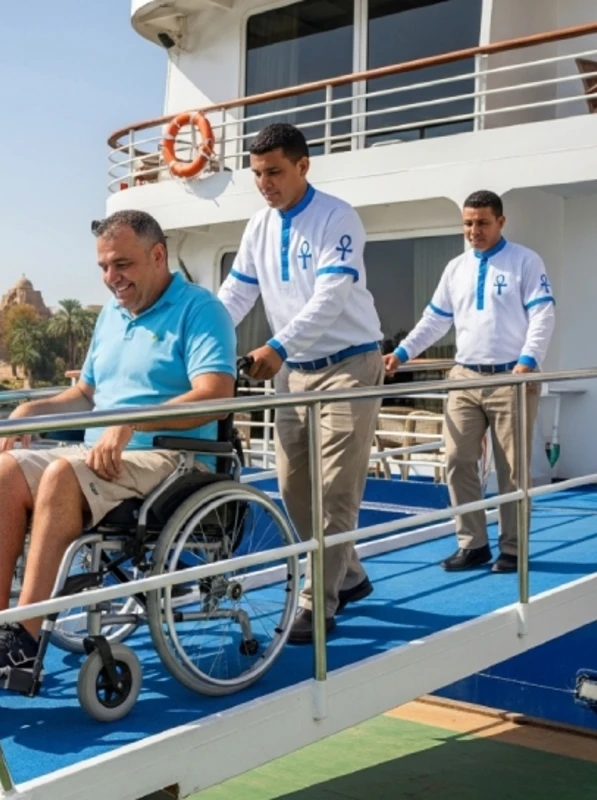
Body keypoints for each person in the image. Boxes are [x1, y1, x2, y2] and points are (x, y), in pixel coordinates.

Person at [0, 209, 238, 677]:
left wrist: (132, 424)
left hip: (169, 455)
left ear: (158, 256)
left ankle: (23, 640)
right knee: (6, 468)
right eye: (103, 267)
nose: (110, 278)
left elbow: (217, 396)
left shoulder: (200, 310)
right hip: (105, 454)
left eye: (122, 264)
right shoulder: (114, 317)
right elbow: (86, 393)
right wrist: (26, 412)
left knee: (61, 473)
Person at [217, 122, 384, 642]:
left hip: (348, 366)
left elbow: (330, 296)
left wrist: (276, 347)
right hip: (293, 373)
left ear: (302, 166)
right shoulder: (258, 227)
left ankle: (319, 603)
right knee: (293, 488)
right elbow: (237, 295)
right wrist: (200, 344)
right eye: (257, 174)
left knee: (336, 492)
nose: (264, 183)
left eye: (274, 172)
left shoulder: (338, 216)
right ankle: (350, 575)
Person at [384, 190, 555, 573]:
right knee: (458, 460)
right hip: (463, 377)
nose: (473, 230)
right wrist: (402, 353)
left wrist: (529, 362)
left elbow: (543, 313)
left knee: (512, 470)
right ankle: (472, 543)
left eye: (482, 223)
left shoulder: (525, 261)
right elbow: (434, 320)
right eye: (467, 223)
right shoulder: (455, 268)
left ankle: (512, 548)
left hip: (512, 375)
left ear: (501, 222)